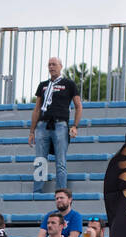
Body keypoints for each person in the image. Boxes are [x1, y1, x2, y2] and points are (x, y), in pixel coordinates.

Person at [28, 57, 82, 193]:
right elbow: (37, 108)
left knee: (61, 161)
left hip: (60, 124)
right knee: (40, 160)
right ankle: (37, 190)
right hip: (42, 125)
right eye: (49, 65)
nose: (51, 67)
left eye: (54, 64)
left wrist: (75, 125)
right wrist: (31, 131)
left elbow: (78, 106)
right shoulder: (43, 85)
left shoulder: (69, 84)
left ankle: (61, 192)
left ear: (61, 66)